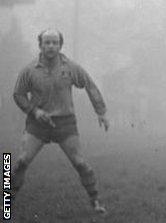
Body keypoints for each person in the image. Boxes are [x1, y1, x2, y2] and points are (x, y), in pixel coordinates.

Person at [11, 29, 109, 213]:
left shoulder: (70, 67)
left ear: (60, 45)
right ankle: (5, 202)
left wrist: (101, 111)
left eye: (55, 42)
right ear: (40, 45)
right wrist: (34, 111)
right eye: (47, 42)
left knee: (80, 162)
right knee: (21, 161)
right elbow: (18, 94)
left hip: (65, 124)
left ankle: (96, 202)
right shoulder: (29, 70)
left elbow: (89, 85)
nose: (51, 46)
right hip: (37, 124)